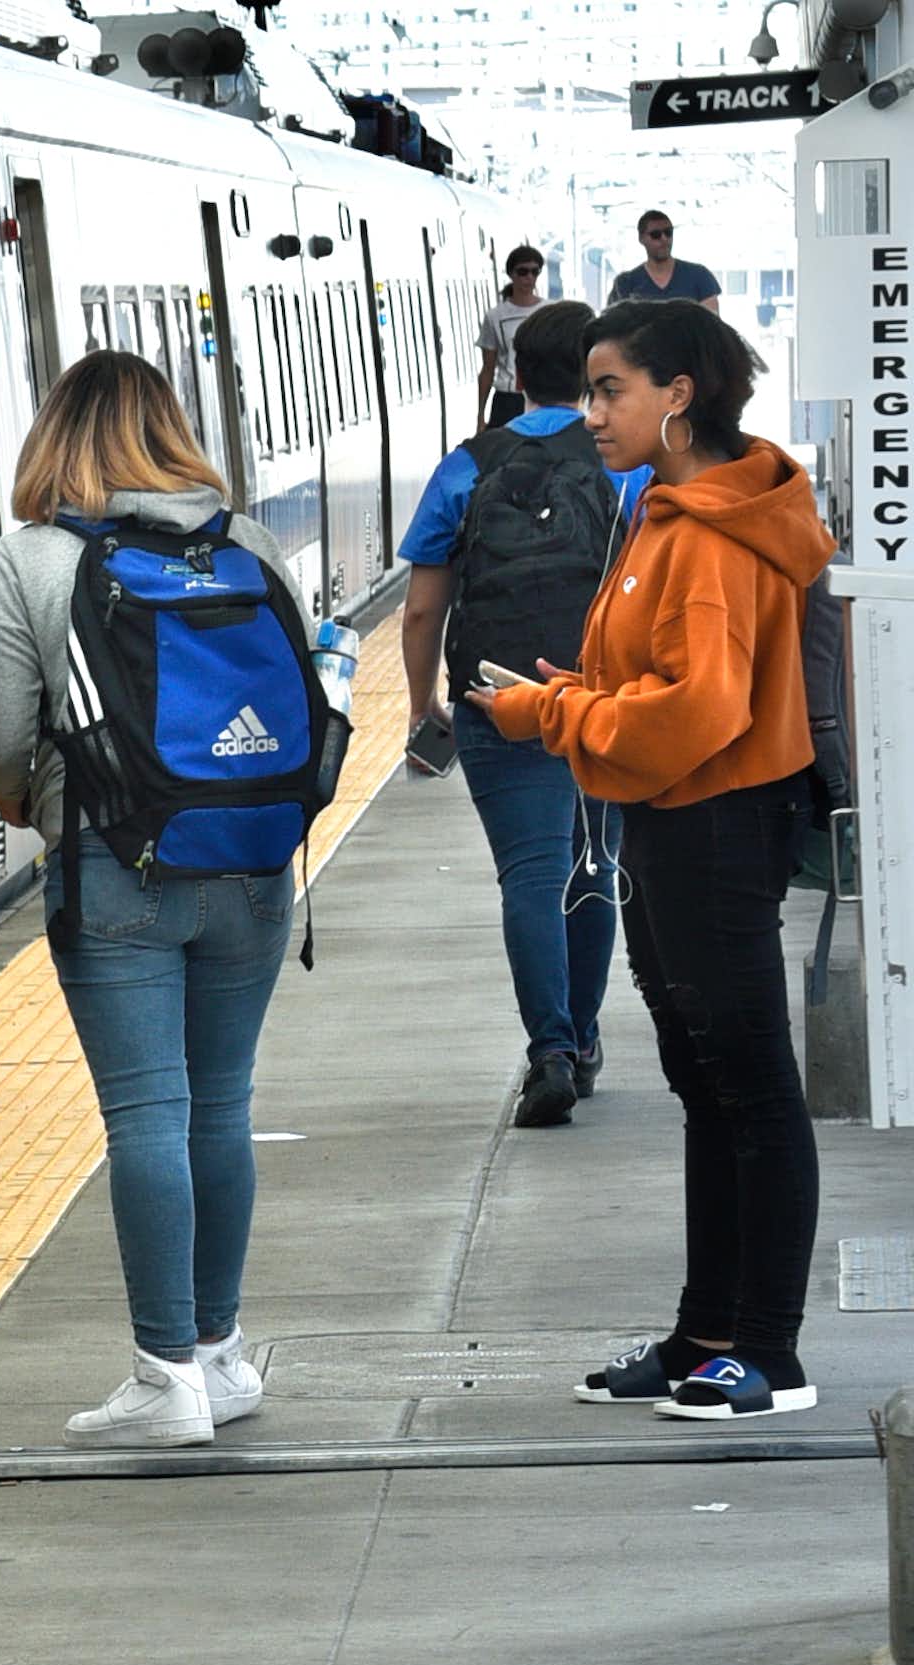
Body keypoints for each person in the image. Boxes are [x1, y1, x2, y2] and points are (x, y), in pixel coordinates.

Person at [473, 299, 832, 1418]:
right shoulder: (663, 513)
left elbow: (697, 712)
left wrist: (552, 717)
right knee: (704, 1083)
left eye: (608, 389)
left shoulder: (709, 536)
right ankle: (703, 1334)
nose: (588, 413)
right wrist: (575, 695)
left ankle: (768, 1356)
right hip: (675, 825)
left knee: (749, 1086)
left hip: (716, 823)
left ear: (677, 395)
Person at [0, 351, 310, 1448]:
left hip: (115, 865)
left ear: (51, 438)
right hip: (254, 868)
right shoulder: (246, 546)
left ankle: (164, 1377)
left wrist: (33, 801)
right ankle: (218, 1356)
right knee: (222, 1104)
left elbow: (0, 744)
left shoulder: (28, 563)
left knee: (146, 1117)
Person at [402, 299, 646, 1126]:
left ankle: (547, 1048)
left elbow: (421, 611)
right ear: (594, 376)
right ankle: (579, 1040)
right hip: (600, 697)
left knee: (530, 876)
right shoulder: (626, 464)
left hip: (497, 700)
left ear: (513, 373)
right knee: (594, 866)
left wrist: (420, 706)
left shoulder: (464, 467)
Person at [475, 245, 547, 430]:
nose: (529, 277)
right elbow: (488, 368)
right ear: (511, 274)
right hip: (507, 399)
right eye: (523, 272)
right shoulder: (495, 316)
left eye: (534, 272)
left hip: (542, 396)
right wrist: (480, 415)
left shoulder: (549, 312)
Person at [607, 212, 723, 313]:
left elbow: (712, 327)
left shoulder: (700, 275)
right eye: (655, 235)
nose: (664, 239)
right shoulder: (625, 283)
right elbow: (613, 329)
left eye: (668, 233)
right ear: (641, 238)